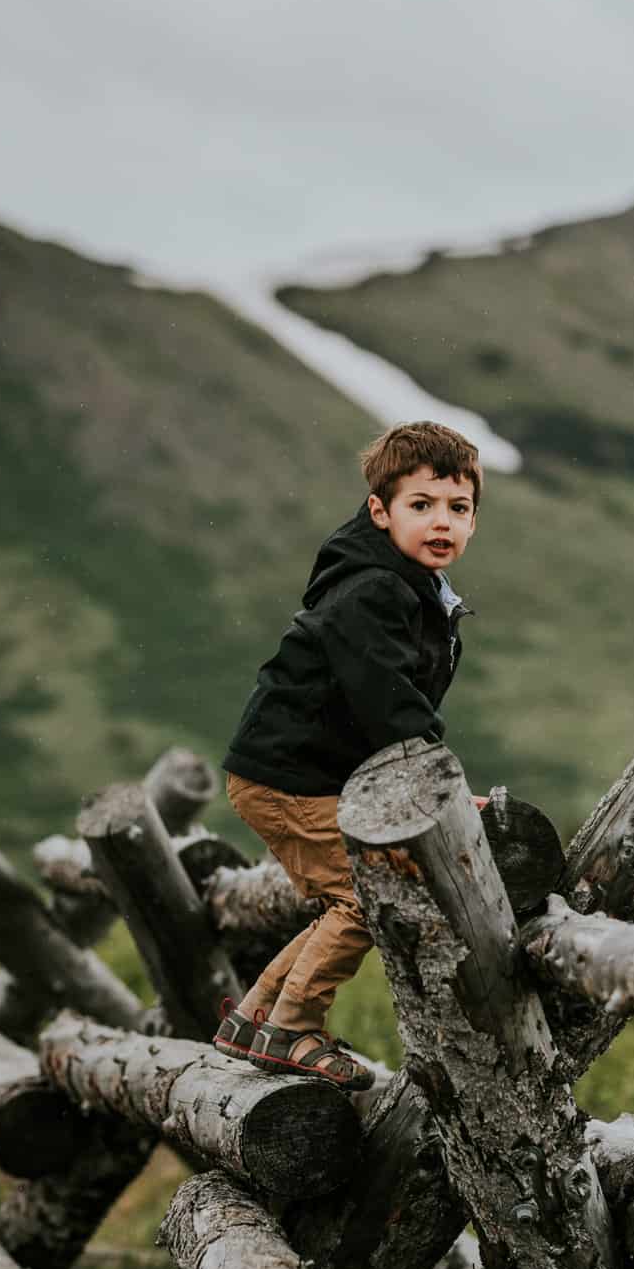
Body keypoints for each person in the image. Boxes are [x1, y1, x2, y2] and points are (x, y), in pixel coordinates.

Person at [215, 420, 482, 1090]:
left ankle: (254, 1019)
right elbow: (386, 696)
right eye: (420, 506)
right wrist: (440, 792)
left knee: (349, 894)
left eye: (458, 507)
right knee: (369, 898)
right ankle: (294, 1026)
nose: (441, 522)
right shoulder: (375, 590)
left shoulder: (407, 588)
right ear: (380, 510)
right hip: (291, 778)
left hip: (290, 775)